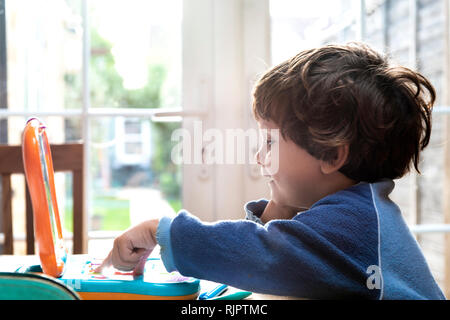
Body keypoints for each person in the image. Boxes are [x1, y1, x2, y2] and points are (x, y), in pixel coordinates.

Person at [96, 42, 445, 299]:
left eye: (270, 142)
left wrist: (161, 231)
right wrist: (275, 217)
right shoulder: (356, 209)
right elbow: (277, 266)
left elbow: (263, 257)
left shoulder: (356, 223)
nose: (260, 156)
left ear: (332, 154)